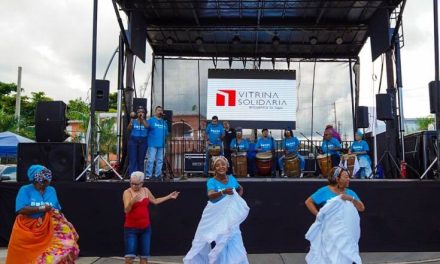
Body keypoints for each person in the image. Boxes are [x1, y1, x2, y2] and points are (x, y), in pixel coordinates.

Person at [6, 165, 79, 264]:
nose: (45, 183)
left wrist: (64, 222)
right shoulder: (25, 190)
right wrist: (41, 208)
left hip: (48, 227)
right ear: (34, 179)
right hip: (26, 229)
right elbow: (20, 209)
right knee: (23, 256)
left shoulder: (51, 190)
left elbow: (57, 209)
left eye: (47, 179)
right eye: (43, 180)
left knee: (60, 248)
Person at [183, 156, 249, 264]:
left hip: (230, 218)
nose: (221, 167)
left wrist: (236, 200)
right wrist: (223, 192)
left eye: (223, 164)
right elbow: (210, 195)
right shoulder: (211, 181)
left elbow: (240, 188)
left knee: (234, 242)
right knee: (217, 243)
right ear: (214, 168)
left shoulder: (232, 179)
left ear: (227, 166)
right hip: (215, 217)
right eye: (217, 165)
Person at [304, 166, 365, 264]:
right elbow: (308, 202)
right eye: (346, 177)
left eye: (348, 176)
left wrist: (351, 199)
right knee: (329, 256)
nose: (348, 179)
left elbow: (361, 208)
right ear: (337, 179)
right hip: (329, 232)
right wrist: (319, 215)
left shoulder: (350, 192)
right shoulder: (325, 190)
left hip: (345, 234)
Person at [123, 171, 179, 264]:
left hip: (145, 229)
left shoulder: (145, 190)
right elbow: (126, 210)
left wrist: (169, 196)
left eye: (136, 184)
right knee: (129, 258)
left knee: (144, 258)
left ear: (142, 183)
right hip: (131, 229)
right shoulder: (127, 192)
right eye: (132, 183)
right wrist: (132, 201)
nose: (133, 186)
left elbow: (155, 201)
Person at [145, 106, 168, 181]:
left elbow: (167, 133)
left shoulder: (164, 122)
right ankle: (148, 175)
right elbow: (146, 130)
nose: (160, 111)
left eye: (161, 110)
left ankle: (157, 175)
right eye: (158, 110)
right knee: (151, 160)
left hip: (162, 145)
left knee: (160, 160)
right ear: (155, 112)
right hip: (152, 144)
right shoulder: (151, 120)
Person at [127, 106, 149, 176]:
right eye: (139, 112)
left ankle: (140, 176)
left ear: (144, 114)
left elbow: (147, 127)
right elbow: (129, 129)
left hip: (143, 141)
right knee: (133, 159)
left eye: (142, 112)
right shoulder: (134, 121)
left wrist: (142, 119)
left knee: (141, 160)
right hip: (133, 141)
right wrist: (131, 121)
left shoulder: (147, 121)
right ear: (137, 113)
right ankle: (133, 176)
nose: (141, 113)